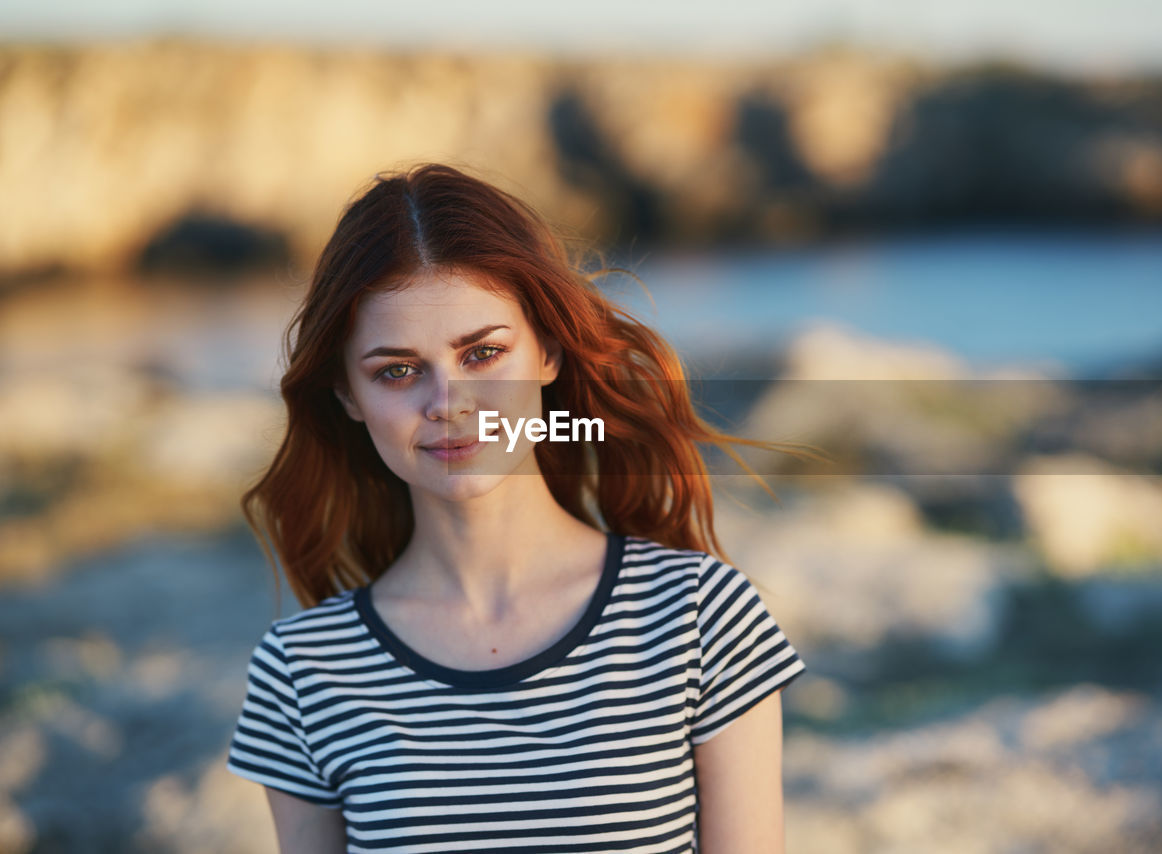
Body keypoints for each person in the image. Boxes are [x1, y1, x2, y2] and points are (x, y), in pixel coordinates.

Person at [224, 162, 813, 853]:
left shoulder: (698, 618)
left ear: (549, 352)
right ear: (349, 397)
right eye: (397, 371)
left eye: (482, 353)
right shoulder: (301, 670)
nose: (449, 403)